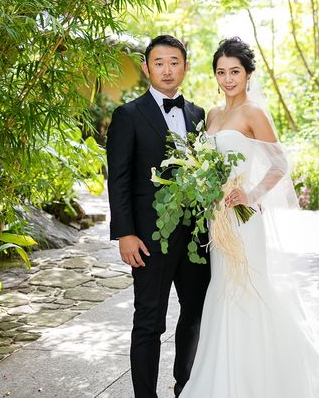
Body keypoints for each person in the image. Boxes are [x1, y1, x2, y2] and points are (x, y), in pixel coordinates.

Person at [180, 36, 319, 398]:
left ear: (248, 74)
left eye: (235, 71)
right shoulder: (213, 115)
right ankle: (224, 380)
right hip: (216, 219)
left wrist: (250, 194)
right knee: (221, 290)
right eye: (221, 72)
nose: (228, 79)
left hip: (243, 219)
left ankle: (268, 382)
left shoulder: (253, 113)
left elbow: (280, 164)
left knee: (249, 291)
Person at [106, 35, 210, 398]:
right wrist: (125, 234)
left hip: (195, 238)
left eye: (174, 62)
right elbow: (118, 179)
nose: (167, 70)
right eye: (159, 63)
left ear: (185, 67)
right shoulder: (128, 115)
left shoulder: (198, 115)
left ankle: (185, 387)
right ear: (146, 68)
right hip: (149, 239)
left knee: (195, 314)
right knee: (149, 321)